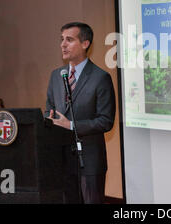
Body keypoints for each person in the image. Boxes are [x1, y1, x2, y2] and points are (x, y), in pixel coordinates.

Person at [45, 22, 115, 204]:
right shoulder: (56, 75)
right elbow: (49, 111)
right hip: (61, 160)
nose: (63, 44)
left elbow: (106, 121)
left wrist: (71, 125)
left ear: (85, 44)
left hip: (90, 161)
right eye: (62, 40)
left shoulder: (100, 78)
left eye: (69, 40)